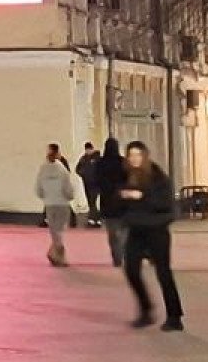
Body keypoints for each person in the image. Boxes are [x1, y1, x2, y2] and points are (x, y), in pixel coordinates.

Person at [119, 141, 183, 330]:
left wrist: (141, 196)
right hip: (136, 230)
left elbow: (166, 205)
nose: (134, 159)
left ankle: (175, 316)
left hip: (156, 230)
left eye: (138, 155)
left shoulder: (158, 177)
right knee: (131, 270)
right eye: (131, 155)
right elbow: (117, 201)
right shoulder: (127, 176)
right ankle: (146, 310)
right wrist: (122, 199)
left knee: (163, 273)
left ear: (145, 156)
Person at [37, 143, 77, 266]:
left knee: (54, 230)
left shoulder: (42, 169)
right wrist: (70, 196)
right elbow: (68, 187)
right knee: (59, 230)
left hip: (49, 203)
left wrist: (44, 196)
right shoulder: (62, 169)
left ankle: (54, 252)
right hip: (61, 203)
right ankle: (59, 255)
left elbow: (38, 187)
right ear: (58, 154)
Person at [97, 137, 129, 267]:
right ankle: (123, 251)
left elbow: (95, 180)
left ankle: (116, 256)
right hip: (123, 201)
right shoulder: (123, 162)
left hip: (107, 201)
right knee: (124, 230)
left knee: (112, 232)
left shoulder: (100, 163)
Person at [76, 141, 102, 227]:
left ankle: (95, 218)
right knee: (90, 202)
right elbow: (77, 169)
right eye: (86, 150)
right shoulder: (83, 158)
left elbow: (101, 169)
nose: (88, 151)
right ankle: (95, 218)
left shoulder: (97, 158)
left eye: (89, 150)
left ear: (92, 149)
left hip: (96, 183)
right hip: (87, 183)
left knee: (93, 201)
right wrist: (82, 173)